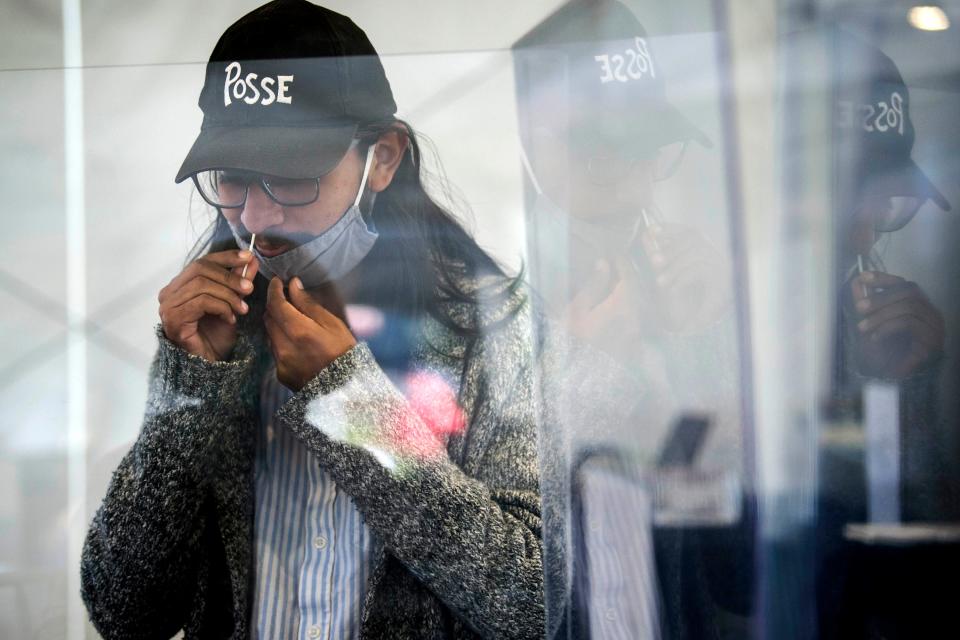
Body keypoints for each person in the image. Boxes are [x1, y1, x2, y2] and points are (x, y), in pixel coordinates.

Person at [80, 1, 550, 638]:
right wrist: (189, 390)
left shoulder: (494, 326)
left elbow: (532, 603)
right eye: (234, 179)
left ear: (382, 159)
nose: (256, 218)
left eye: (291, 177)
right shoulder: (216, 334)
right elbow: (124, 611)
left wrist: (351, 404)